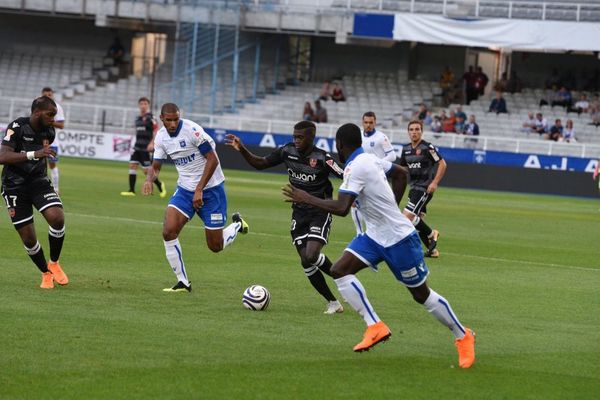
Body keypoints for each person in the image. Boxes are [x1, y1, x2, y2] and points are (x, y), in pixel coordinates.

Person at [282, 123, 475, 367]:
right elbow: (401, 173)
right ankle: (375, 326)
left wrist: (306, 197)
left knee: (421, 295)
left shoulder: (355, 167)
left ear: (341, 145)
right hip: (375, 235)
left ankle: (463, 335)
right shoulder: (370, 159)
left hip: (399, 238)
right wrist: (392, 206)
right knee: (339, 270)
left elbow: (341, 208)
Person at [225, 121, 345, 314]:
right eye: (294, 136)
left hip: (320, 211)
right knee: (306, 260)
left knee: (312, 255)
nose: (295, 140)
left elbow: (346, 175)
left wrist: (352, 197)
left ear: (311, 137)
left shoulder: (323, 158)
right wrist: (242, 149)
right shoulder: (287, 151)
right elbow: (261, 163)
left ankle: (343, 279)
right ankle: (333, 302)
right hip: (299, 212)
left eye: (300, 137)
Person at [142, 103, 249, 292]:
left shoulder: (192, 130)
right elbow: (156, 165)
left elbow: (213, 159)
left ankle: (238, 224)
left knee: (215, 246)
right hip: (184, 190)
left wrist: (200, 189)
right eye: (169, 120)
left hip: (211, 190)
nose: (173, 123)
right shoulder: (161, 137)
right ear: (162, 118)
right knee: (168, 231)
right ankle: (183, 282)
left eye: (176, 119)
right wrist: (150, 179)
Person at [0, 96, 69, 289]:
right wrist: (33, 154)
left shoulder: (49, 131)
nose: (53, 119)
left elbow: (43, 153)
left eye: (54, 115)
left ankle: (54, 264)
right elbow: (3, 156)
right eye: (50, 114)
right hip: (14, 185)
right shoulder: (17, 126)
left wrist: (42, 157)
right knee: (29, 238)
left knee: (57, 218)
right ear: (37, 112)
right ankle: (45, 273)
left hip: (38, 182)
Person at [399, 120, 446, 258]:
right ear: (408, 132)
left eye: (417, 129)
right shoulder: (406, 149)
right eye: (412, 129)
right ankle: (432, 251)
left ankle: (432, 234)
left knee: (406, 218)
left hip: (424, 188)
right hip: (413, 188)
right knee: (415, 221)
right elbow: (404, 169)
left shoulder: (427, 147)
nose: (414, 132)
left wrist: (435, 182)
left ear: (421, 131)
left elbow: (442, 164)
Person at [351, 111, 397, 235]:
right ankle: (359, 234)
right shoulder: (357, 136)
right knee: (355, 203)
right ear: (362, 122)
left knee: (378, 206)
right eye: (366, 122)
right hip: (361, 176)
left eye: (371, 122)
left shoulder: (381, 137)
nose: (368, 125)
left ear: (375, 122)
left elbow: (392, 155)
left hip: (377, 177)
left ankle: (383, 233)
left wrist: (377, 163)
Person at [121, 97, 166, 197]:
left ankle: (160, 185)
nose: (143, 105)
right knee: (132, 166)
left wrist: (152, 143)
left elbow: (156, 131)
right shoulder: (137, 119)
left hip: (146, 148)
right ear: (139, 105)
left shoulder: (151, 117)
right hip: (137, 147)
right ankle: (131, 190)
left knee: (147, 171)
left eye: (145, 104)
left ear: (148, 105)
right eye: (141, 104)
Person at [41, 87, 65, 194]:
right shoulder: (37, 106)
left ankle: (55, 189)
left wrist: (49, 121)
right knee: (34, 164)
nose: (47, 97)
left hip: (52, 141)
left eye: (49, 95)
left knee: (52, 164)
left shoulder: (57, 107)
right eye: (45, 95)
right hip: (37, 140)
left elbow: (61, 125)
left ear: (52, 95)